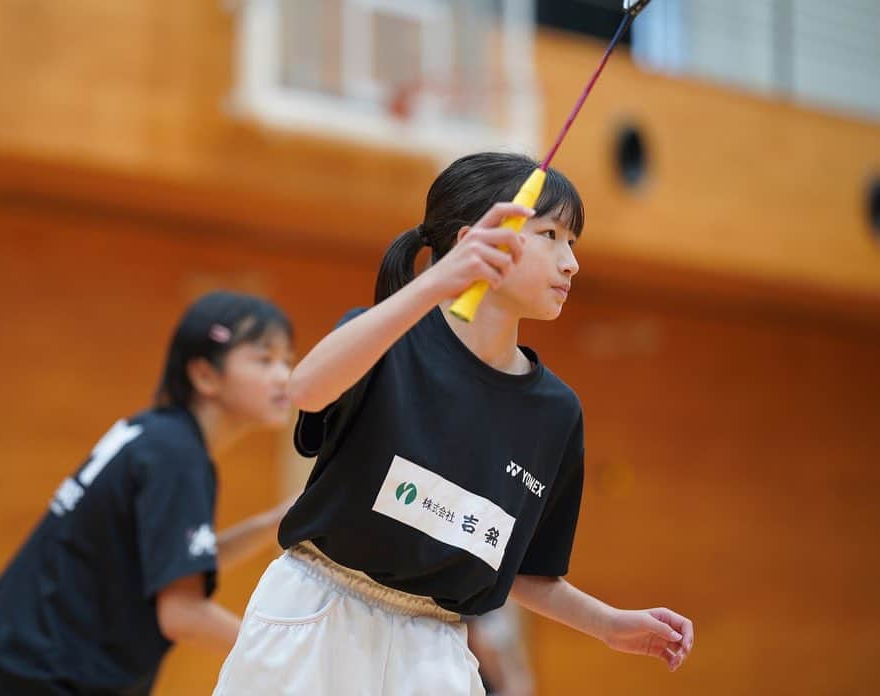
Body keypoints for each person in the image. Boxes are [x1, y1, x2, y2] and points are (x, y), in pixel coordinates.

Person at [212, 153, 694, 696]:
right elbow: (306, 389)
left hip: (434, 650)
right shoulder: (384, 338)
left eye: (573, 243)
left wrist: (608, 624)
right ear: (477, 240)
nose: (571, 263)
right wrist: (437, 283)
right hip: (316, 613)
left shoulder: (557, 413)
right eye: (551, 234)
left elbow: (524, 571)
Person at [0, 291, 296, 695]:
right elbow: (183, 614)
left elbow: (172, 567)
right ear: (205, 376)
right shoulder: (177, 455)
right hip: (29, 680)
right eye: (264, 360)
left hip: (11, 672)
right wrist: (292, 659)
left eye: (287, 360)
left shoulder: (157, 436)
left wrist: (273, 523)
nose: (284, 375)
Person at [467, 602, 537, 696]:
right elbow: (478, 642)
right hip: (488, 684)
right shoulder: (477, 615)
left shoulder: (502, 613)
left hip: (500, 679)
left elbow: (514, 647)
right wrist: (502, 685)